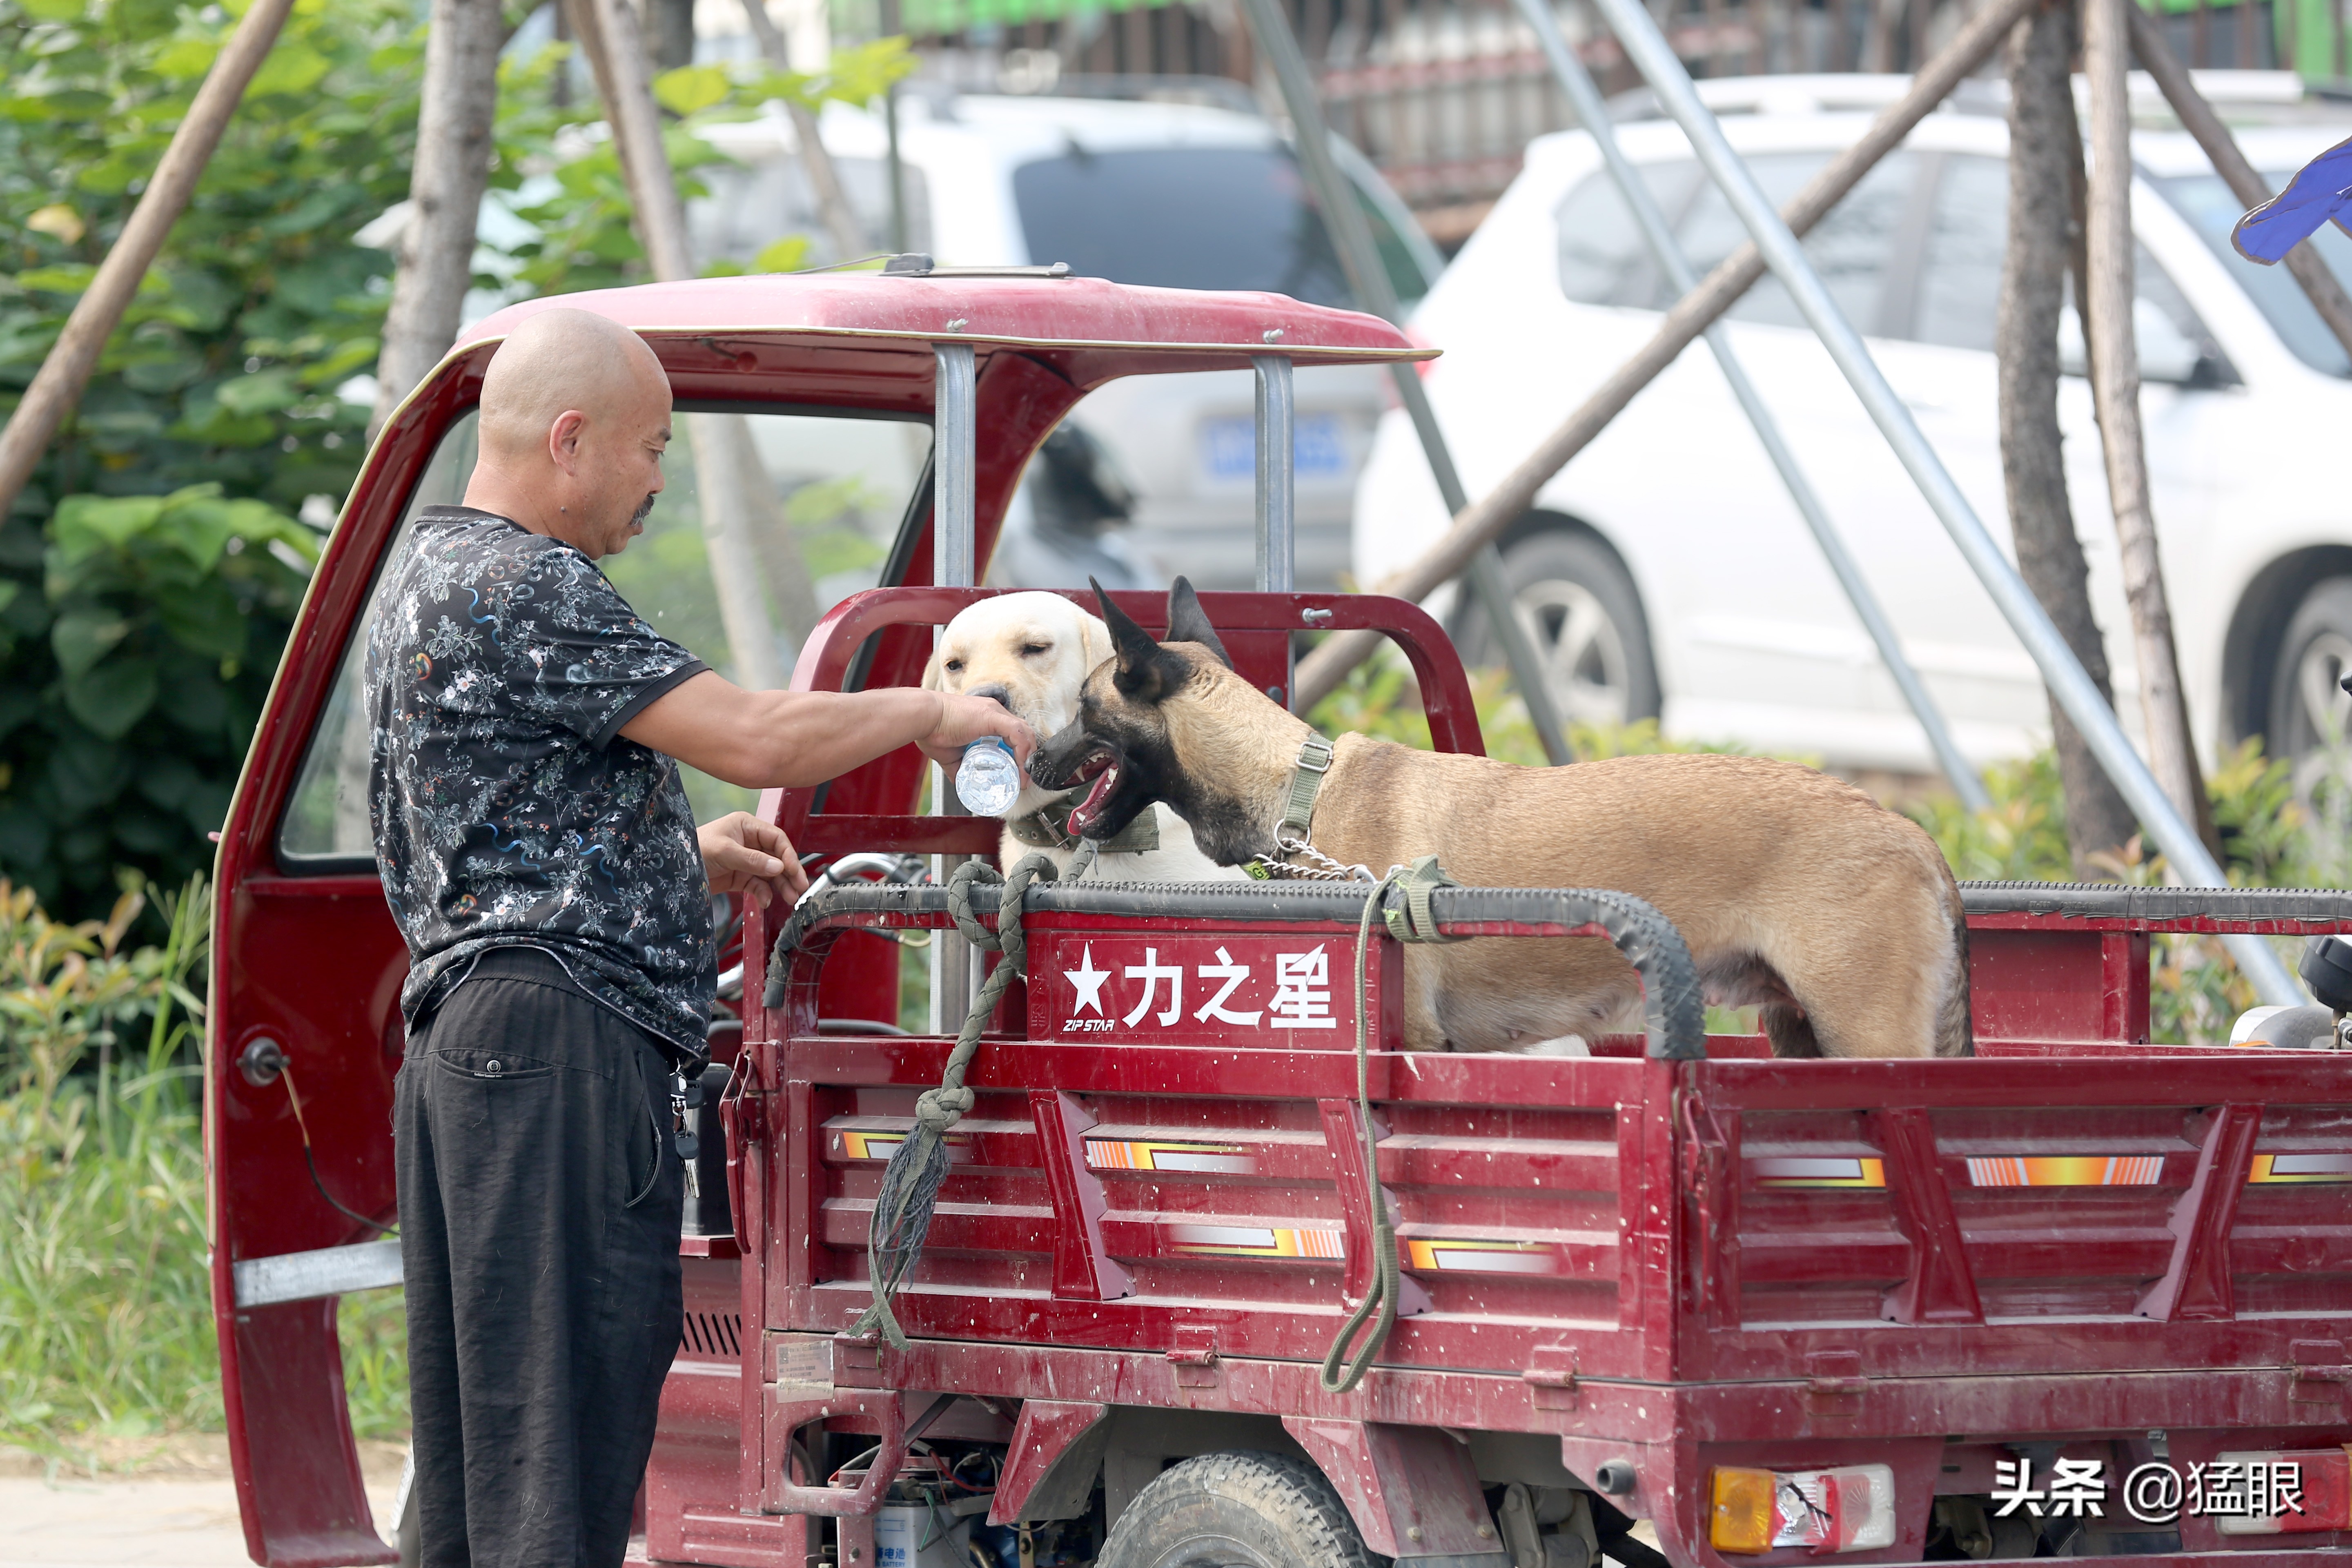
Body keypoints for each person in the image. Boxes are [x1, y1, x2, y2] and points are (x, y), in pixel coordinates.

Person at [366, 306, 1031, 1568]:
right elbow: (759, 741)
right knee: (557, 1460)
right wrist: (932, 713)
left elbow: (488, 831)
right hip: (555, 1051)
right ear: (570, 440)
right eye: (652, 447)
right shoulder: (526, 582)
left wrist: (676, 860)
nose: (660, 480)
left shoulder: (426, 572)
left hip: (474, 1047)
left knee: (484, 1464)